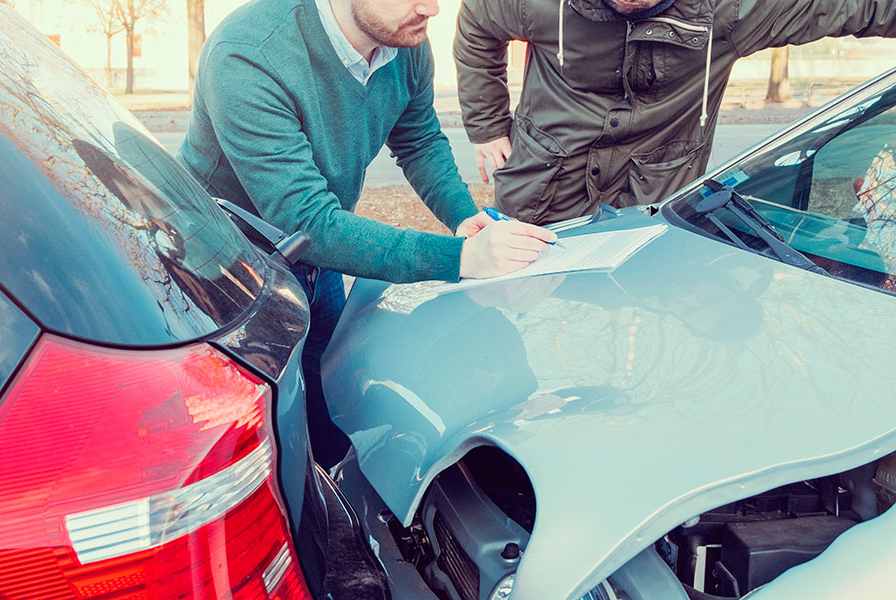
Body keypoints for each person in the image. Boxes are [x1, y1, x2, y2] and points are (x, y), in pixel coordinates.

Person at [177, 0, 558, 468]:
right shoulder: (247, 54)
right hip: (230, 272)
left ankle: (337, 493)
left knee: (329, 391)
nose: (432, 9)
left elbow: (418, 140)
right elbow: (307, 220)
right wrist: (461, 258)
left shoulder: (404, 41)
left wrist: (464, 219)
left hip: (320, 257)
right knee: (265, 428)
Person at [454, 0, 896, 224]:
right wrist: (487, 125)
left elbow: (853, 6)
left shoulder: (732, 10)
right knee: (522, 314)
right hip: (539, 188)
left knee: (641, 320)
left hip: (653, 202)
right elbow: (477, 23)